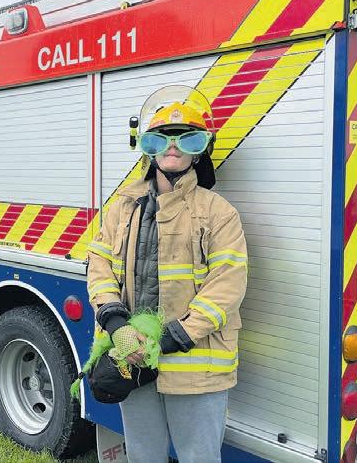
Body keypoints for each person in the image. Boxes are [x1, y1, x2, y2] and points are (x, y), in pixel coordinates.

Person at [87, 86, 248, 463]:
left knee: (199, 458)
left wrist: (170, 338)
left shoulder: (219, 213)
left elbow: (226, 286)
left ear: (200, 150)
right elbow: (99, 264)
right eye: (161, 137)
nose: (172, 146)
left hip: (195, 367)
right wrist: (116, 324)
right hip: (132, 358)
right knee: (143, 455)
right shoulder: (122, 207)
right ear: (148, 148)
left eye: (186, 138)